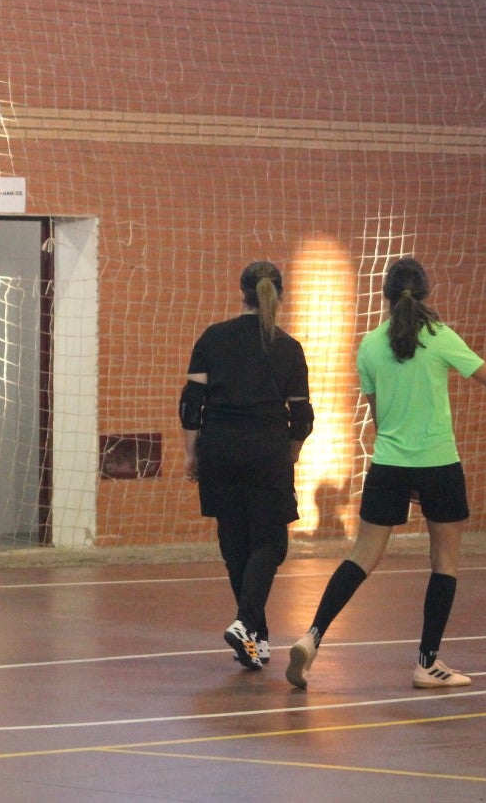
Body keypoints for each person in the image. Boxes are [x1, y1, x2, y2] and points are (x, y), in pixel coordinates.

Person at [286, 257, 486, 689]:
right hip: (439, 466)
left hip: (388, 466)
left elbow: (380, 418)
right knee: (444, 562)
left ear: (385, 296)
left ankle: (312, 637)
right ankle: (427, 663)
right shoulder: (440, 338)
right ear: (426, 295)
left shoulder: (369, 346)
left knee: (361, 557)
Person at [180, 261, 314, 670]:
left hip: (218, 450)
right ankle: (244, 621)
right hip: (266, 452)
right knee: (271, 544)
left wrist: (192, 453)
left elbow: (191, 406)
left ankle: (256, 637)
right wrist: (291, 452)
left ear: (242, 292)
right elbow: (303, 417)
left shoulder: (213, 338)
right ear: (280, 293)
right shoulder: (288, 347)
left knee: (235, 544)